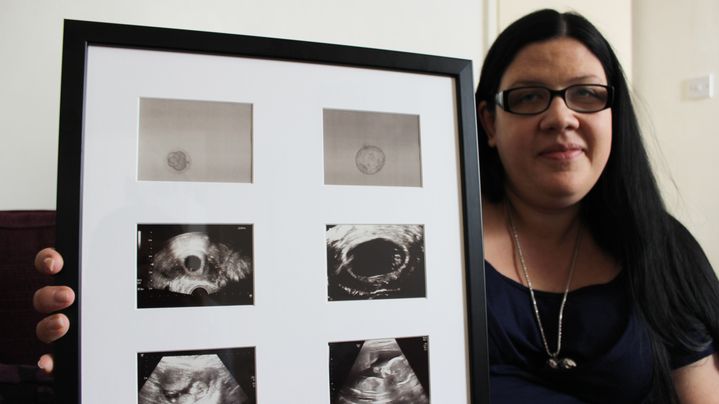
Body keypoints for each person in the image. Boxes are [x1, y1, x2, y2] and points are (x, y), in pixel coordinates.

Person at [32, 8, 719, 403]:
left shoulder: (664, 250)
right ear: (486, 119)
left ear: (612, 114)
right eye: (529, 96)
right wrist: (102, 319)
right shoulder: (413, 236)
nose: (560, 118)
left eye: (587, 95)